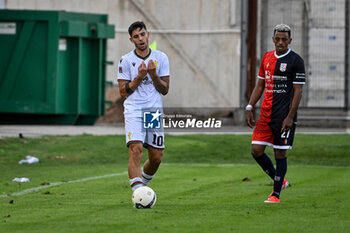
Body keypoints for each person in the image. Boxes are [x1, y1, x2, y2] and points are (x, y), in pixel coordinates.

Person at [245, 24, 305, 203]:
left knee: (280, 153)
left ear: (290, 41)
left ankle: (275, 194)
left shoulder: (296, 60)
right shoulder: (267, 58)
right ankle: (281, 181)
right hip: (265, 114)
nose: (280, 42)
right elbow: (260, 85)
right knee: (256, 150)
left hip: (283, 116)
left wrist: (290, 117)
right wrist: (250, 106)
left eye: (284, 39)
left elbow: (298, 91)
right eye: (277, 39)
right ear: (273, 40)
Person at [117, 21, 170, 192]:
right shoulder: (126, 60)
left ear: (148, 34)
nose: (140, 39)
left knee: (156, 158)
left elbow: (165, 89)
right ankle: (138, 193)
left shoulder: (161, 58)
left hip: (153, 112)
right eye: (136, 36)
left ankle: (142, 188)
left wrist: (153, 75)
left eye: (142, 34)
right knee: (136, 149)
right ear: (131, 40)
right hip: (134, 110)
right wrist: (139, 77)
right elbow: (123, 92)